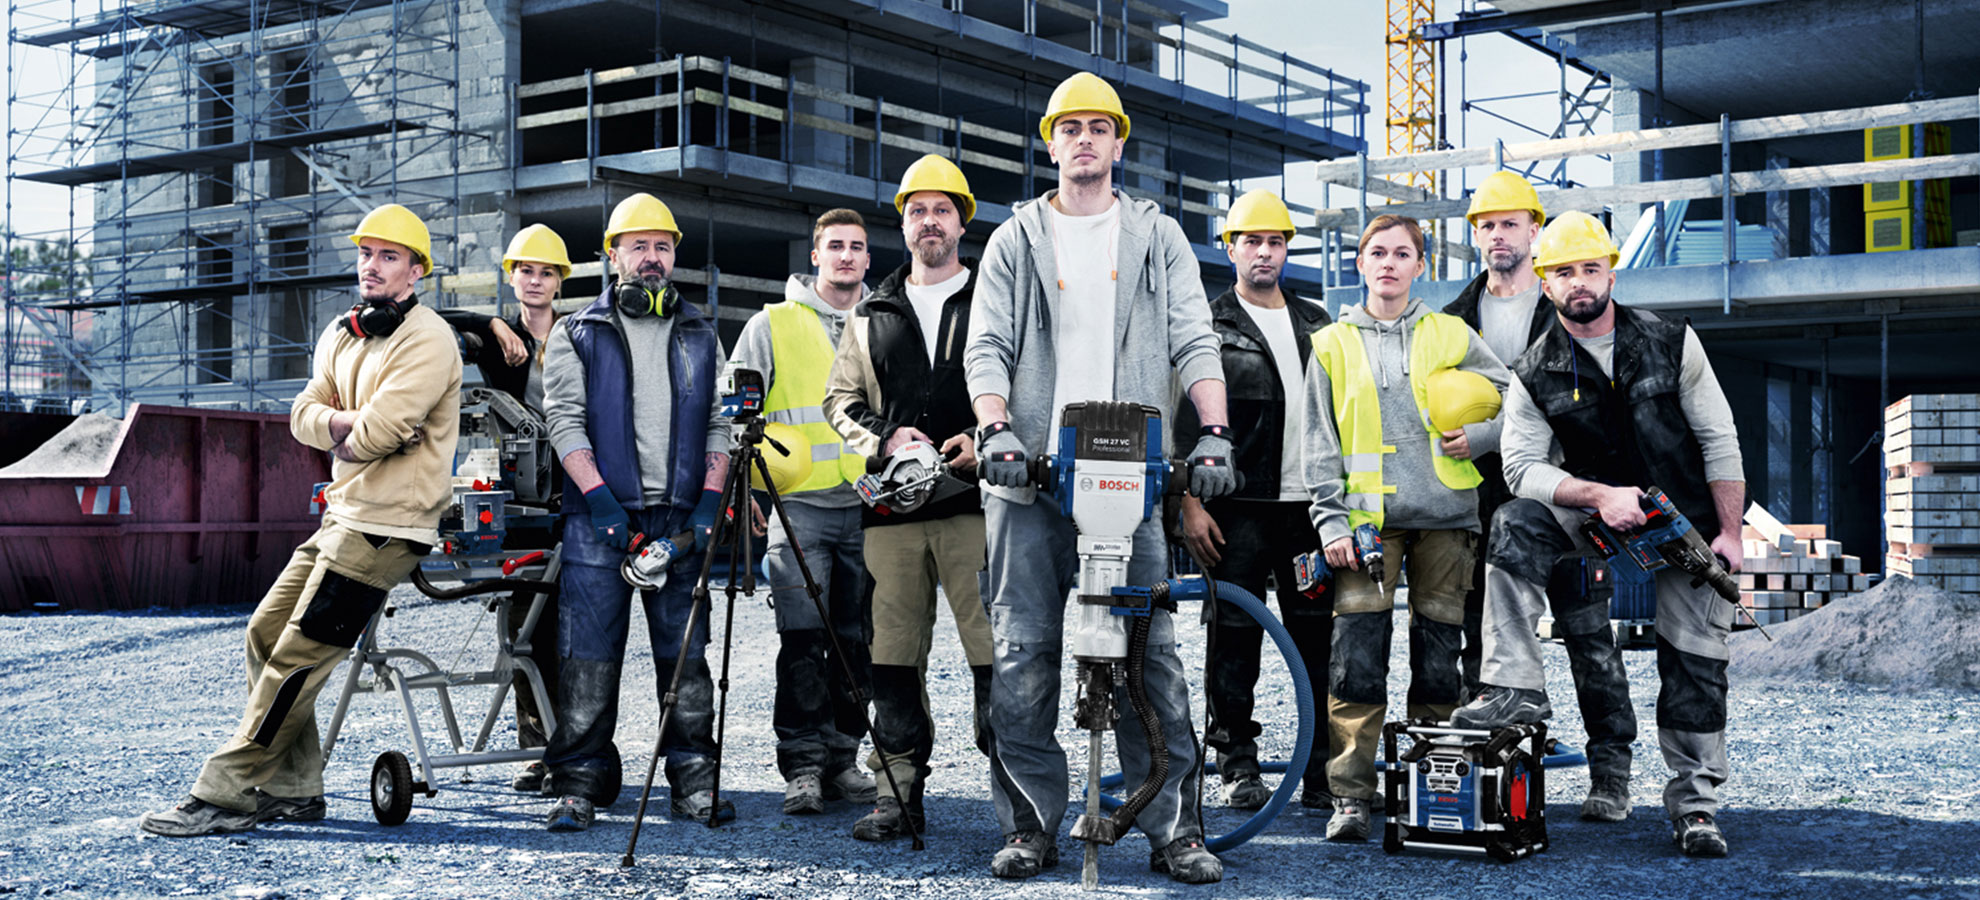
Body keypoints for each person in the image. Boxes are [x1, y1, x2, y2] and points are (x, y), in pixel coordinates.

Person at [965, 71, 1234, 884]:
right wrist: (996, 428)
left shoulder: (1157, 237)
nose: (1084, 139)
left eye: (1098, 127)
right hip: (1031, 483)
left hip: (1132, 477)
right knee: (1024, 655)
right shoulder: (1015, 239)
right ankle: (1030, 826)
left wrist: (1212, 433)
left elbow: (1194, 339)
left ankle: (1172, 828)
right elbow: (989, 349)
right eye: (1069, 127)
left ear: (1119, 142)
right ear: (1051, 142)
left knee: (1151, 660)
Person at [140, 204, 461, 836]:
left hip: (388, 527)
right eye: (366, 253)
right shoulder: (343, 333)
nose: (372, 266)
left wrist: (349, 431)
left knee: (298, 656)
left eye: (389, 257)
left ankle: (225, 792)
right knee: (263, 634)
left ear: (416, 273)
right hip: (341, 515)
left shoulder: (428, 339)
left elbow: (379, 432)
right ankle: (293, 788)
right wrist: (345, 428)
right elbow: (305, 415)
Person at [1451, 211, 1746, 859]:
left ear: (1610, 271)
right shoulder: (1535, 370)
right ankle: (1515, 689)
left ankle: (1695, 807)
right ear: (1546, 283)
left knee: (1694, 664)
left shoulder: (1672, 343)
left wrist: (1729, 533)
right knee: (1516, 523)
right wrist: (1596, 496)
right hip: (1594, 516)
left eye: (1589, 267)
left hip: (1681, 522)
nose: (1579, 282)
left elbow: (1718, 439)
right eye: (1563, 272)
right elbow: (1521, 467)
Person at [1302, 213, 1510, 843]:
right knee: (1357, 660)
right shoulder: (1332, 344)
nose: (1388, 263)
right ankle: (1352, 798)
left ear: (1421, 266)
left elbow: (1512, 398)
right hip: (1367, 529)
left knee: (1440, 661)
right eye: (1377, 253)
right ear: (1359, 264)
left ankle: (1428, 789)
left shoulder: (1451, 333)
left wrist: (1478, 437)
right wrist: (1330, 519)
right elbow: (1317, 442)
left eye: (1402, 254)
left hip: (1447, 520)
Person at [1443, 173, 1637, 822]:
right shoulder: (1452, 322)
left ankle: (1611, 774)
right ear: (1475, 236)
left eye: (1510, 223)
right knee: (1488, 644)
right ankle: (1501, 786)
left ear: (1534, 229)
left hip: (1567, 501)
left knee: (1590, 638)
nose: (1498, 236)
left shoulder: (1568, 310)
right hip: (1480, 509)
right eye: (1486, 225)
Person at [537, 192, 734, 832]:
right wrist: (597, 499)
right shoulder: (577, 332)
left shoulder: (703, 333)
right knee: (588, 659)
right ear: (613, 255)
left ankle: (695, 785)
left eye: (663, 246)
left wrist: (710, 502)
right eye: (639, 245)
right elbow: (563, 422)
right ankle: (579, 785)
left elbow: (720, 425)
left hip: (679, 522)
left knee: (687, 661)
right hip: (599, 524)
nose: (652, 258)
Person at [823, 154, 994, 842]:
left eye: (942, 209)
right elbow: (839, 401)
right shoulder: (871, 313)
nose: (930, 221)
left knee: (995, 653)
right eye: (917, 210)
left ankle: (1013, 791)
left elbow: (1031, 386)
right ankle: (896, 793)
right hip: (891, 515)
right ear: (904, 222)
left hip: (978, 509)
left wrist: (987, 435)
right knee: (890, 656)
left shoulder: (994, 298)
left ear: (961, 221)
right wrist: (886, 439)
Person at [1172, 189, 1334, 812]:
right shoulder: (1209, 327)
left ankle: (1319, 772)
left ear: (1287, 248)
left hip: (1309, 513)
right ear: (1230, 247)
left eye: (1275, 242)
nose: (1264, 253)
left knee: (1315, 642)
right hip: (1235, 510)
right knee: (1233, 640)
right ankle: (1237, 761)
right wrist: (1189, 503)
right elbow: (1189, 424)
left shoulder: (1319, 322)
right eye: (1252, 242)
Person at [729, 208, 879, 816]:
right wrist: (745, 493)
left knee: (857, 641)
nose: (846, 256)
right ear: (815, 255)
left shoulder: (881, 321)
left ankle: (844, 757)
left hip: (870, 507)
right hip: (799, 510)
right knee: (801, 639)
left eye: (857, 248)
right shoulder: (772, 325)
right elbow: (734, 410)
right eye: (835, 246)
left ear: (869, 259)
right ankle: (803, 766)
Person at [438, 223, 572, 794]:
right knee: (527, 627)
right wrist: (489, 321)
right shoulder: (497, 340)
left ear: (560, 281)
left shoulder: (579, 334)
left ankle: (580, 747)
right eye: (526, 271)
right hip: (519, 497)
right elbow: (431, 327)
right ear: (512, 277)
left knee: (579, 629)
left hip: (579, 486)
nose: (535, 281)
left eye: (546, 272)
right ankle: (538, 750)